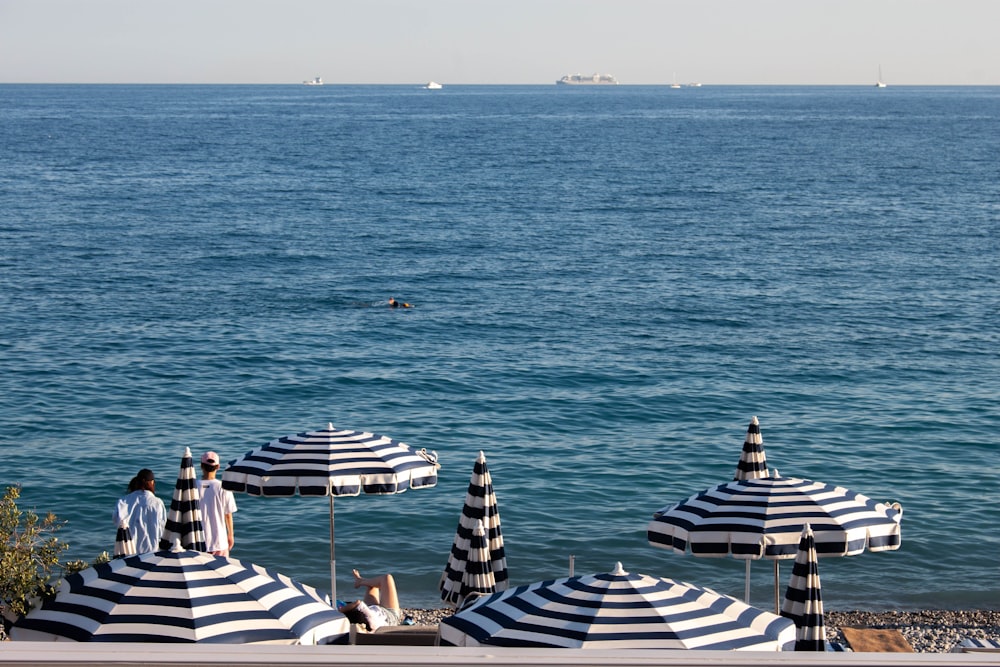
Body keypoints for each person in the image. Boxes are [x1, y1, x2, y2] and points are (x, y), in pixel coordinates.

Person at [112, 468, 166, 554]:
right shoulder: (157, 503)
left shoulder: (123, 501)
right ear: (151, 483)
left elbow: (117, 522)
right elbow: (162, 528)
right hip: (151, 552)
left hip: (127, 550)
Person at [197, 451, 237, 556]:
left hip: (197, 541)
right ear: (218, 466)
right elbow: (228, 515)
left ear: (201, 466)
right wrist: (231, 535)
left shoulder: (192, 486)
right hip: (219, 542)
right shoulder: (224, 487)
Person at [338, 570, 403, 631]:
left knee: (372, 585)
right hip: (389, 615)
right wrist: (339, 611)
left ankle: (361, 580)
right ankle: (360, 581)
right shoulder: (370, 620)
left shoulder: (368, 622)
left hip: (372, 608)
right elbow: (358, 603)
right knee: (387, 578)